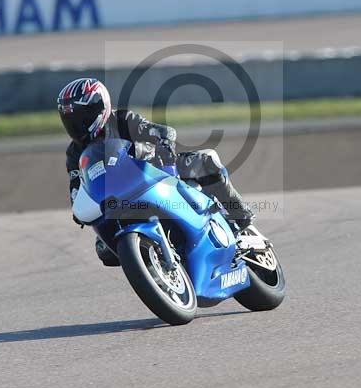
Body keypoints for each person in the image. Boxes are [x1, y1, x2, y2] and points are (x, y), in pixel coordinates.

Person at [57, 77, 255, 266]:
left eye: (81, 117)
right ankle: (153, 264)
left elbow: (162, 132)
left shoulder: (123, 120)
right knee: (104, 249)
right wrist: (79, 207)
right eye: (70, 120)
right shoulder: (74, 154)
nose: (75, 125)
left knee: (206, 161)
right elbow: (76, 187)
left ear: (99, 108)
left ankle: (240, 217)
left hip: (155, 172)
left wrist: (163, 146)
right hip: (119, 200)